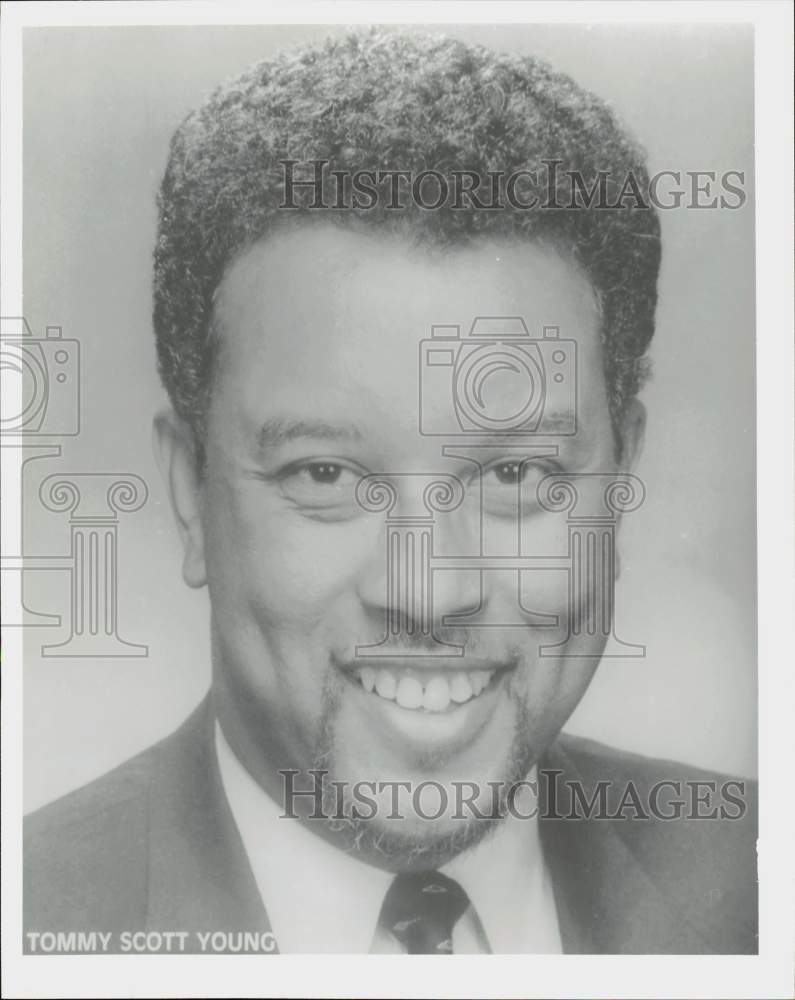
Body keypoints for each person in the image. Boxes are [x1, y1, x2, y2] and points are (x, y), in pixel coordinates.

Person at [24, 29, 757, 955]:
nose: (427, 591)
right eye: (325, 474)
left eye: (514, 474)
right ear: (188, 491)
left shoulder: (761, 886)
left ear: (620, 481)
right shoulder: (37, 917)